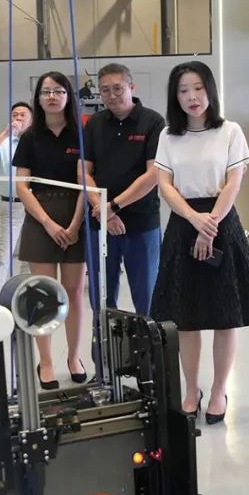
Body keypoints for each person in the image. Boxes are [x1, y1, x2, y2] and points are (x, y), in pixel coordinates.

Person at [150, 61, 249, 424]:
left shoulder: (230, 131)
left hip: (221, 222)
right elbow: (165, 186)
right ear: (175, 96)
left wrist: (209, 224)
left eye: (198, 88)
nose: (192, 96)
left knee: (224, 315)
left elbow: (234, 182)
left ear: (210, 90)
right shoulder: (168, 136)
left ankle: (218, 390)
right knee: (185, 318)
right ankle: (191, 389)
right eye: (183, 90)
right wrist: (194, 219)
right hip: (184, 223)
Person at [13, 72, 88, 390]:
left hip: (76, 215)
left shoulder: (81, 134)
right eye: (46, 92)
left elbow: (87, 183)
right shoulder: (30, 137)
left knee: (74, 292)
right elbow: (22, 186)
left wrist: (75, 224)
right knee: (43, 292)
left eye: (59, 91)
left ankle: (74, 356)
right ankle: (45, 361)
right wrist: (48, 223)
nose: (52, 97)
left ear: (68, 96)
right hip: (40, 216)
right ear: (38, 98)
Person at [80, 63, 166, 316]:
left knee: (147, 297)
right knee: (101, 300)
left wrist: (114, 207)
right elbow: (83, 173)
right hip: (99, 223)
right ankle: (104, 343)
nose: (111, 95)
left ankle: (148, 342)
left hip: (141, 223)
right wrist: (103, 211)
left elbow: (153, 174)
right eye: (105, 90)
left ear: (131, 87)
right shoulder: (93, 124)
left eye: (117, 88)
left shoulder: (153, 122)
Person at [0, 101, 34, 294]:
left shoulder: (36, 141)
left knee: (31, 256)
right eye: (14, 115)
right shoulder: (1, 141)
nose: (18, 118)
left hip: (34, 203)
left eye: (22, 115)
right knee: (2, 254)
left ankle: (26, 295)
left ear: (31, 120)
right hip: (11, 204)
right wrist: (5, 134)